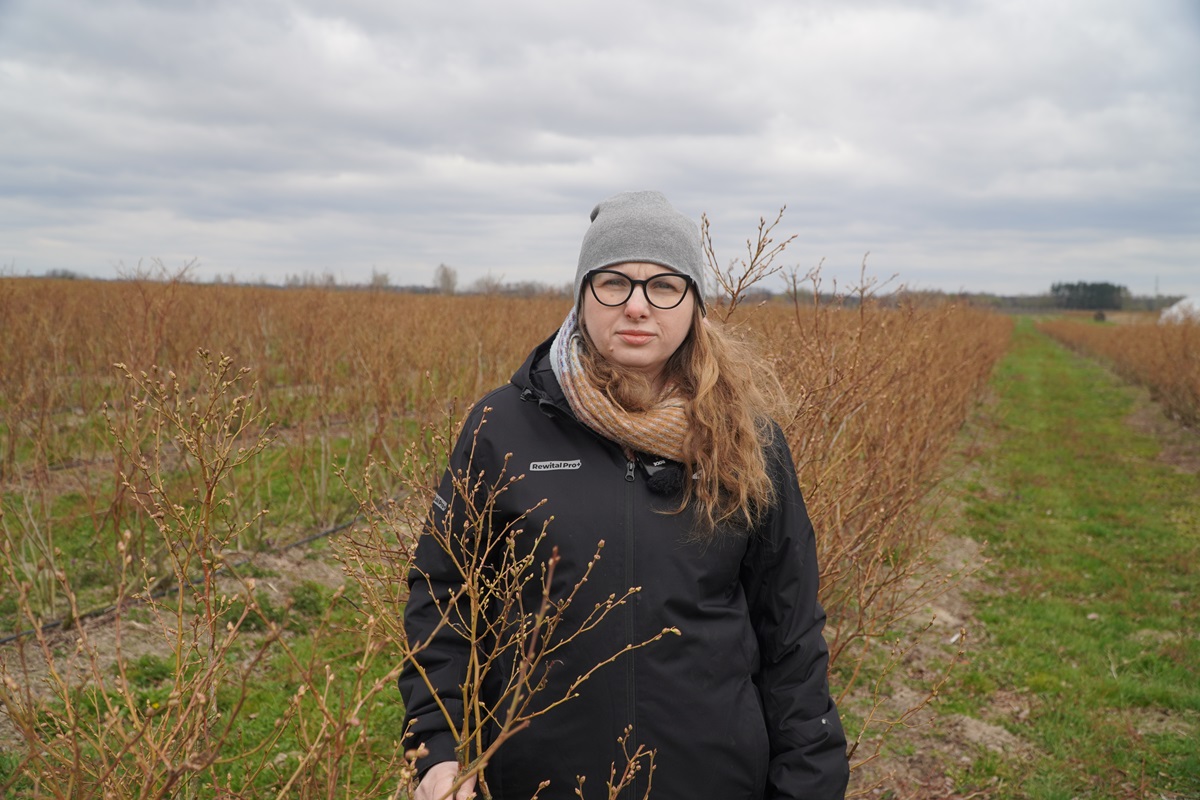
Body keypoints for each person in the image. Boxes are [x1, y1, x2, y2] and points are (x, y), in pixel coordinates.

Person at [399, 191, 848, 800]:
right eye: (613, 283)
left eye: (664, 286)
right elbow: (445, 594)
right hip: (539, 780)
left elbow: (789, 626)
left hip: (713, 779)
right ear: (582, 296)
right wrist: (439, 749)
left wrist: (808, 781)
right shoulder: (501, 428)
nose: (637, 306)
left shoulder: (747, 440)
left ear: (694, 305)